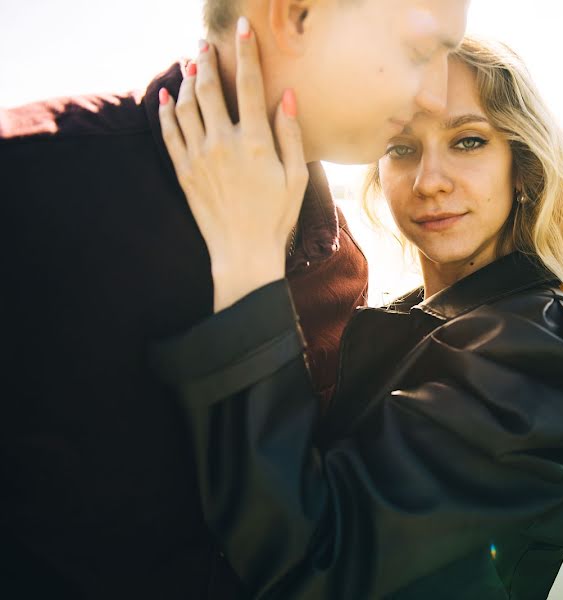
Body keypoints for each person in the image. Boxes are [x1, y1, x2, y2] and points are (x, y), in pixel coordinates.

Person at [0, 1, 469, 597]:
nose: (435, 95)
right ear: (295, 15)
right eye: (419, 51)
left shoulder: (340, 259)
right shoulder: (23, 182)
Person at [152, 34, 563, 599]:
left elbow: (320, 564)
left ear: (521, 168)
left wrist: (247, 253)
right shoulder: (419, 319)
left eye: (468, 141)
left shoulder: (544, 347)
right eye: (402, 148)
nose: (429, 181)